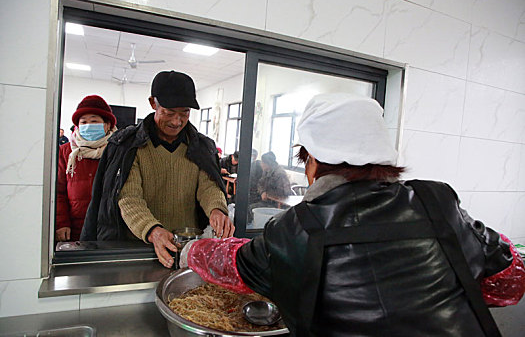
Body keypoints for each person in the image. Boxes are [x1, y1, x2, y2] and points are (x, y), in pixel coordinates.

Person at [180, 93, 525, 336]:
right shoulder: (438, 201)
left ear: (313, 161)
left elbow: (235, 264)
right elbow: (511, 279)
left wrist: (190, 250)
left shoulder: (295, 228)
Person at [81, 71, 233, 268]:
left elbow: (209, 186)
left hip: (186, 249)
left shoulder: (200, 147)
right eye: (169, 113)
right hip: (138, 249)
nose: (177, 122)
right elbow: (129, 197)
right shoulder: (129, 146)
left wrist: (217, 210)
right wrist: (153, 230)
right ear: (153, 103)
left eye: (184, 113)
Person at [56, 95, 117, 241]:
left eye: (94, 121)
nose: (88, 125)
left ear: (107, 124)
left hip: (110, 228)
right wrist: (61, 222)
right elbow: (58, 191)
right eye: (83, 122)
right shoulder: (66, 152)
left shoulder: (117, 150)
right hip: (74, 229)